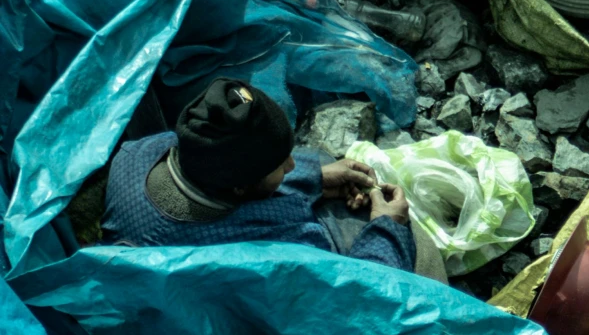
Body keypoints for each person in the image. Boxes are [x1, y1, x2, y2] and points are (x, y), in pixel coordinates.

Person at [103, 78, 420, 274]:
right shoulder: (281, 255)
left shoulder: (136, 155)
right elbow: (364, 306)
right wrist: (387, 228)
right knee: (419, 248)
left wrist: (316, 178)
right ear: (240, 188)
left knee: (316, 162)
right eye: (280, 165)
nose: (292, 167)